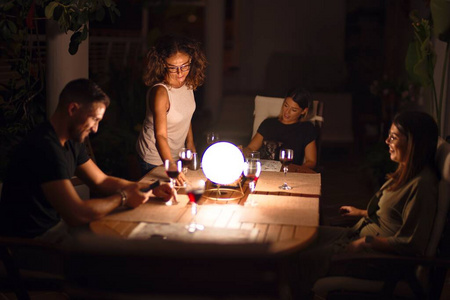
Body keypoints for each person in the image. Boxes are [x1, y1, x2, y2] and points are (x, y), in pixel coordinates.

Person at [0, 79, 173, 243]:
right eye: (95, 119)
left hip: (57, 230)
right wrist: (124, 197)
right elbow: (76, 214)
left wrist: (146, 188)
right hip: (31, 245)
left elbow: (101, 180)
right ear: (73, 109)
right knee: (121, 255)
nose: (96, 129)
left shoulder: (72, 140)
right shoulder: (44, 147)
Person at [293, 110, 439, 298]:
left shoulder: (422, 185)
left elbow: (412, 244)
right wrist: (362, 213)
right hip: (357, 235)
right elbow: (394, 214)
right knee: (303, 237)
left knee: (302, 258)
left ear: (413, 143)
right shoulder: (406, 172)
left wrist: (366, 241)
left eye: (393, 137)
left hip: (376, 258)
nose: (387, 142)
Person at [136, 34, 207, 184]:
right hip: (155, 157)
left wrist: (191, 144)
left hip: (176, 155)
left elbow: (185, 116)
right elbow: (160, 135)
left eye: (184, 66)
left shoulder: (188, 83)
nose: (180, 73)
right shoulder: (161, 93)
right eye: (173, 68)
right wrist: (170, 165)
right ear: (163, 64)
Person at [243, 87, 317, 169]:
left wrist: (296, 171)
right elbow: (251, 148)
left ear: (303, 111)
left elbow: (311, 161)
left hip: (289, 173)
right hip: (265, 172)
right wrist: (243, 151)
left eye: (294, 110)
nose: (287, 112)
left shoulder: (306, 129)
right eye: (286, 106)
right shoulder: (268, 123)